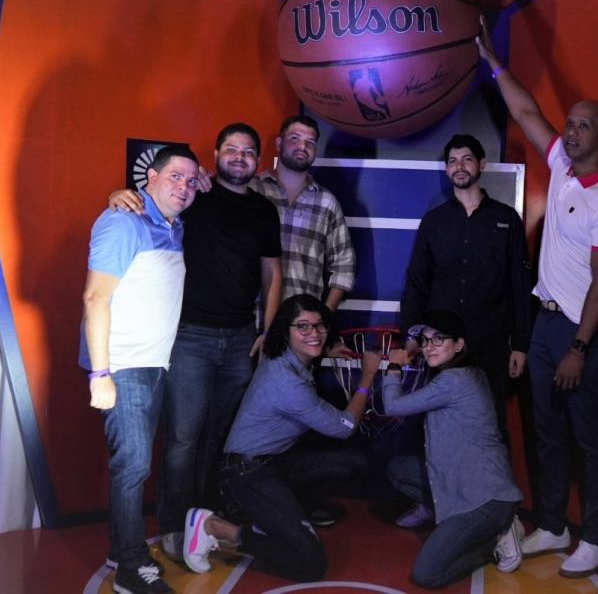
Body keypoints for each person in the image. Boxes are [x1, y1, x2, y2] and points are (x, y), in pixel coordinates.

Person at [477, 19, 598, 578]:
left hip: (580, 333)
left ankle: (597, 539)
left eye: (584, 126)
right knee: (546, 433)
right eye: (569, 123)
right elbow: (524, 111)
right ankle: (554, 524)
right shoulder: (563, 165)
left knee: (591, 438)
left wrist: (579, 348)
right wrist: (493, 61)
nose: (571, 132)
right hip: (545, 324)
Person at [109, 124, 283, 562]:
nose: (240, 157)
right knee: (182, 439)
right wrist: (118, 195)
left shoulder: (264, 210)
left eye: (248, 151)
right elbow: (148, 203)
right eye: (231, 149)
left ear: (258, 160)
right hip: (189, 337)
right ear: (217, 154)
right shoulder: (194, 195)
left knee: (219, 436)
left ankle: (204, 517)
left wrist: (267, 330)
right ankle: (172, 524)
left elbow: (272, 273)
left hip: (241, 339)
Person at [179, 294, 380, 581]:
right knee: (311, 565)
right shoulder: (287, 382)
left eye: (319, 325)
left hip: (275, 462)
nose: (314, 333)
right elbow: (344, 427)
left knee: (352, 464)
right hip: (245, 473)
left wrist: (324, 351)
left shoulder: (283, 357)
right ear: (285, 332)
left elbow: (308, 349)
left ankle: (275, 519)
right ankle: (213, 526)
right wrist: (367, 376)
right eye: (303, 327)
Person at [80, 145, 199, 594]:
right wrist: (100, 374)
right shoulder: (123, 221)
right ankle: (131, 567)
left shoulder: (172, 224)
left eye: (191, 180)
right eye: (175, 177)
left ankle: (120, 550)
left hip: (153, 365)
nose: (184, 186)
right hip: (123, 366)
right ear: (150, 177)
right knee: (132, 466)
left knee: (134, 465)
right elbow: (95, 297)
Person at [399, 133, 532, 495]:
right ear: (446, 170)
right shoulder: (434, 221)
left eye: (467, 159)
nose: (459, 166)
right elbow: (417, 282)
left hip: (490, 345)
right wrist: (411, 335)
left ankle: (500, 508)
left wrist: (521, 345)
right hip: (440, 347)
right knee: (436, 426)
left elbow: (520, 286)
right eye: (453, 161)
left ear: (481, 165)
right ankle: (436, 502)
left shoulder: (506, 220)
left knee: (492, 427)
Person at [382, 310, 525, 589]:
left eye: (439, 339)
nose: (429, 346)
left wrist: (393, 366)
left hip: (485, 499)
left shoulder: (454, 380)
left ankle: (495, 538)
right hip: (464, 484)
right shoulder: (468, 372)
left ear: (459, 345)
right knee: (398, 469)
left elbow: (392, 406)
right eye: (425, 340)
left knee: (427, 574)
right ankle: (442, 509)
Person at [249, 114, 356, 311]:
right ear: (279, 143)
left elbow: (344, 265)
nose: (302, 146)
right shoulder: (252, 190)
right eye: (295, 138)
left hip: (301, 320)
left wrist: (324, 316)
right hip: (249, 316)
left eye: (310, 142)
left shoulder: (326, 202)